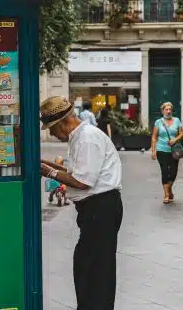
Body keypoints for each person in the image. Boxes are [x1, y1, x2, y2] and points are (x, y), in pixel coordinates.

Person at [39, 96, 123, 310]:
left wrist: (49, 172)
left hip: (100, 207)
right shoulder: (79, 137)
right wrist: (43, 164)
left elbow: (83, 181)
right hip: (95, 209)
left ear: (63, 123)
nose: (51, 134)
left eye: (51, 129)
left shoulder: (87, 138)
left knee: (95, 268)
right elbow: (74, 173)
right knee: (88, 266)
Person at [150, 102, 183, 204]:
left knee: (173, 172)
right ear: (162, 111)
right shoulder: (158, 122)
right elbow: (154, 137)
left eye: (170, 109)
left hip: (174, 151)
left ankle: (169, 190)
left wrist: (175, 139)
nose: (168, 111)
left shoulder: (177, 120)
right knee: (165, 171)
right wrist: (153, 151)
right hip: (162, 150)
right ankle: (166, 195)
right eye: (166, 109)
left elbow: (181, 133)